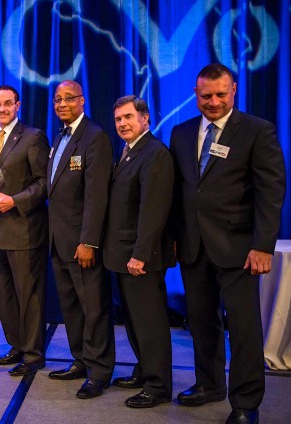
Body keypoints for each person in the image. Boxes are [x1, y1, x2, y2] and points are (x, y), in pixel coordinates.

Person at [170, 63, 285, 424]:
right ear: (195, 94)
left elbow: (271, 192)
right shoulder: (181, 132)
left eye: (221, 94)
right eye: (206, 96)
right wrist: (174, 237)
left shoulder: (256, 131)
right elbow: (178, 193)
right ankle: (209, 384)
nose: (214, 102)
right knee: (201, 322)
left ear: (233, 89)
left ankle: (246, 402)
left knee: (244, 327)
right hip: (192, 245)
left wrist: (263, 245)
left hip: (240, 248)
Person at [103, 96, 174, 408]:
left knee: (150, 323)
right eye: (118, 119)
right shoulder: (130, 152)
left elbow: (153, 210)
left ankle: (158, 386)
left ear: (145, 119)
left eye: (129, 117)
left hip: (140, 257)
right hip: (122, 254)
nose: (122, 124)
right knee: (134, 321)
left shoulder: (155, 153)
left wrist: (141, 254)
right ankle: (145, 370)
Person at [0, 85, 50, 376]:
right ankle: (16, 346)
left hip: (25, 229)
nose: (2, 109)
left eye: (8, 103)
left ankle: (33, 354)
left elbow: (44, 183)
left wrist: (14, 201)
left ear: (18, 105)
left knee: (28, 295)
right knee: (5, 296)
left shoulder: (33, 137)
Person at [47, 80, 115, 399]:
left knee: (94, 308)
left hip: (80, 243)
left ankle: (100, 370)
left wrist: (88, 240)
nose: (62, 103)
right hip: (58, 241)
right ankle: (81, 360)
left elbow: (96, 195)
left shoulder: (94, 136)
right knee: (72, 308)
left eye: (68, 98)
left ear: (82, 101)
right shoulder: (60, 135)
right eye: (58, 99)